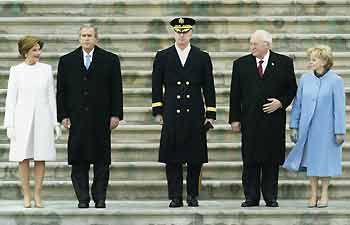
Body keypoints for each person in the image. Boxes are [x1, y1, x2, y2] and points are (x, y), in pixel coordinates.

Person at [56, 24, 123, 208]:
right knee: (78, 161)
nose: (86, 38)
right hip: (77, 120)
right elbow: (61, 91)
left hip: (101, 119)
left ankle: (100, 197)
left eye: (90, 35)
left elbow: (117, 90)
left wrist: (116, 114)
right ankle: (83, 198)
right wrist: (62, 115)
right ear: (79, 38)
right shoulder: (67, 61)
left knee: (102, 162)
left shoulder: (110, 60)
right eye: (83, 35)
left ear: (96, 38)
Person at [152, 17, 216, 208]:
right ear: (174, 33)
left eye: (185, 32)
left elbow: (209, 87)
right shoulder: (163, 56)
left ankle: (193, 195)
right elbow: (156, 86)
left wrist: (210, 113)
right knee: (172, 158)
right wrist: (158, 110)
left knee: (195, 158)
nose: (181, 35)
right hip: (172, 111)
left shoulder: (202, 56)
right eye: (178, 32)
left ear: (191, 33)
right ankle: (175, 196)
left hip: (194, 113)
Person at [229, 30, 297, 207]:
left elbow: (292, 89)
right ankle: (251, 197)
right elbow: (235, 95)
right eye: (251, 43)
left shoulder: (284, 63)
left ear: (267, 45)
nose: (251, 47)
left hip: (273, 121)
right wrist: (234, 119)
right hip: (249, 120)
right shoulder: (240, 64)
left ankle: (270, 196)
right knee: (250, 160)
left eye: (255, 44)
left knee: (271, 160)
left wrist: (280, 103)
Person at [283, 45, 345, 208]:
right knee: (310, 162)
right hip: (307, 129)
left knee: (325, 162)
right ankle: (312, 194)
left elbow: (339, 108)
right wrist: (294, 126)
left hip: (327, 130)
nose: (310, 62)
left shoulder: (336, 81)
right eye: (310, 59)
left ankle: (324, 194)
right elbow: (298, 104)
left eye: (314, 59)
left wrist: (340, 131)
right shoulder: (305, 79)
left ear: (324, 61)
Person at [4, 36, 61, 208]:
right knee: (22, 158)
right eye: (34, 50)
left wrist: (55, 122)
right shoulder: (16, 71)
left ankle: (37, 193)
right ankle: (26, 195)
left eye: (39, 49)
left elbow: (51, 97)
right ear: (25, 52)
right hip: (21, 119)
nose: (38, 53)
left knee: (40, 157)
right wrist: (9, 124)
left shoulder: (46, 69)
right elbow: (11, 99)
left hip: (42, 118)